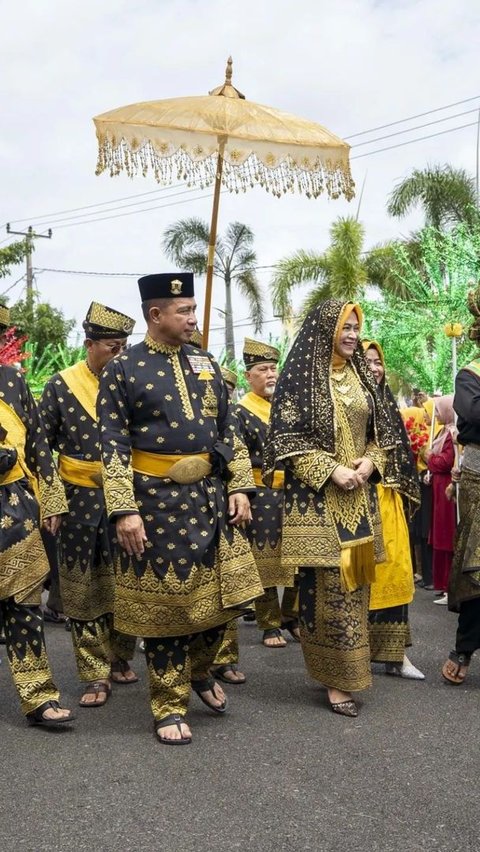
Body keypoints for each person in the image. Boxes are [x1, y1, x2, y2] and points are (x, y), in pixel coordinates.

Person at [97, 272, 263, 744]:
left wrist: (238, 485)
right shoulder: (123, 370)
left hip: (211, 498)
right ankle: (168, 706)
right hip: (154, 504)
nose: (193, 318)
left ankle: (198, 670)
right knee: (169, 614)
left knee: (231, 600)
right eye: (184, 311)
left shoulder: (206, 362)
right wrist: (124, 509)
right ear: (156, 315)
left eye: (193, 309)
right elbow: (111, 446)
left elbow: (228, 430)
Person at [263, 300, 394, 717]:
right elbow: (286, 439)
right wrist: (330, 469)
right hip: (318, 501)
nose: (354, 334)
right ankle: (336, 679)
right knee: (327, 591)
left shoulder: (363, 378)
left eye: (357, 327)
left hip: (358, 500)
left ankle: (348, 671)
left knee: (356, 587)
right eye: (346, 327)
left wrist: (372, 462)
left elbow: (382, 434)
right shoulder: (299, 378)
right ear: (326, 331)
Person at [39, 302, 139, 707]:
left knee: (125, 579)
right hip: (78, 497)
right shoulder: (60, 385)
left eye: (124, 347)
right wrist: (51, 499)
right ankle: (94, 673)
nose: (120, 354)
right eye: (112, 347)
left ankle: (120, 657)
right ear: (89, 344)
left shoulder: (132, 381)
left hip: (128, 497)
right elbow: (40, 444)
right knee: (82, 586)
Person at [0, 304, 74, 728]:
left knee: (25, 603)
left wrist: (52, 499)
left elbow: (39, 447)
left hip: (15, 504)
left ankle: (38, 697)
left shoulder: (12, 380)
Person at [363, 341, 424, 680]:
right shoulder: (349, 403)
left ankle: (396, 656)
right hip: (359, 501)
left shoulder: (388, 403)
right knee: (361, 580)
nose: (374, 368)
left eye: (378, 362)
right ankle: (355, 659)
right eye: (367, 361)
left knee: (396, 573)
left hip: (389, 499)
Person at [237, 338, 297, 648]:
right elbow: (240, 458)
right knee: (266, 562)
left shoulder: (287, 406)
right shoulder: (240, 411)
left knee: (300, 559)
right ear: (249, 375)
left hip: (294, 493)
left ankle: (292, 617)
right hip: (262, 491)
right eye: (263, 369)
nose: (271, 375)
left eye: (274, 368)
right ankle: (270, 623)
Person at [442, 286, 480, 684]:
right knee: (478, 567)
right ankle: (464, 648)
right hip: (479, 479)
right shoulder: (470, 372)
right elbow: (473, 412)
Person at [423, 395, 456, 605]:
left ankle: (449, 586)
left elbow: (445, 462)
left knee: (446, 534)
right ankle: (442, 584)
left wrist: (429, 460)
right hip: (438, 488)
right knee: (439, 533)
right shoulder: (443, 431)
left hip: (447, 492)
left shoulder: (452, 434)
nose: (435, 415)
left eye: (437, 410)